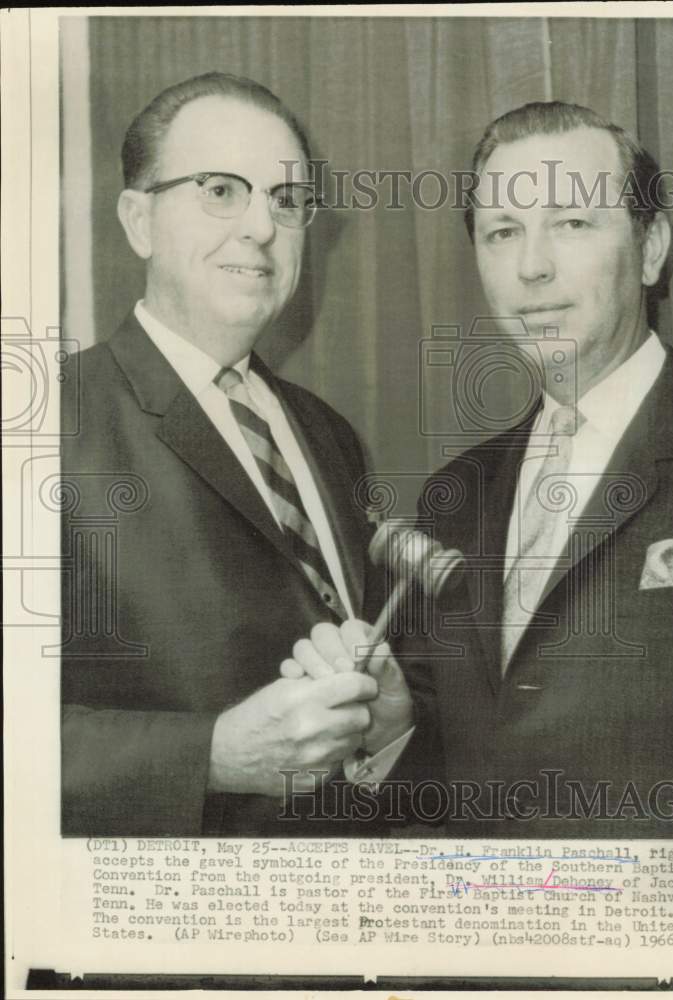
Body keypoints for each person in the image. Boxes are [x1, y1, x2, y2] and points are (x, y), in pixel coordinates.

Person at [285, 102, 673, 837]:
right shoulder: (455, 497)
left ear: (651, 249)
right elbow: (460, 780)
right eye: (502, 233)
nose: (532, 267)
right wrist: (395, 723)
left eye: (572, 223)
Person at [60, 72, 413, 836]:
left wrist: (387, 732)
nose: (261, 226)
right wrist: (211, 757)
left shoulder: (329, 435)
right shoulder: (43, 423)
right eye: (221, 190)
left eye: (286, 202)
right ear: (138, 220)